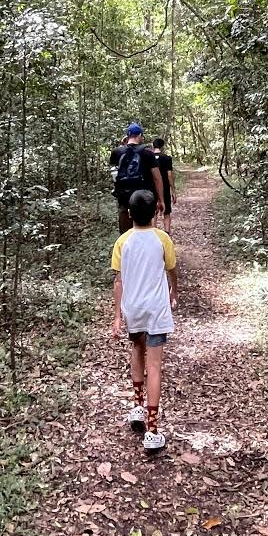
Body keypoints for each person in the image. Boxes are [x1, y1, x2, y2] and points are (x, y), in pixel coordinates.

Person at [110, 188, 178, 452]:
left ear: (129, 214)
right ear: (155, 213)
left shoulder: (122, 241)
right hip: (156, 309)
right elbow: (171, 269)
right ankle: (152, 430)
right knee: (156, 366)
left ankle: (137, 407)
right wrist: (175, 289)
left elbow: (119, 280)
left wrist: (117, 315)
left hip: (133, 308)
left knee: (136, 349)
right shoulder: (162, 238)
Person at [108, 122, 163, 235]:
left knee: (126, 235)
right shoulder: (148, 153)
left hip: (124, 199)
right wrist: (161, 200)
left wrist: (123, 143)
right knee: (147, 232)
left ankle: (127, 252)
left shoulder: (116, 152)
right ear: (140, 135)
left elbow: (114, 173)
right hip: (145, 199)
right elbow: (157, 178)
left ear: (127, 136)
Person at [151, 136, 175, 232]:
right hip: (164, 188)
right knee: (167, 212)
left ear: (153, 146)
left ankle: (153, 234)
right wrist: (173, 190)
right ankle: (167, 233)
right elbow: (169, 175)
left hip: (151, 188)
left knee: (153, 213)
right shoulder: (167, 158)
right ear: (162, 147)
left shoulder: (148, 157)